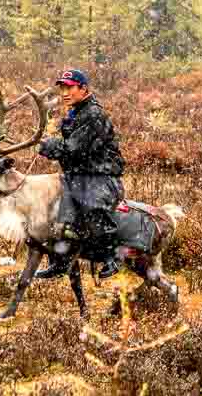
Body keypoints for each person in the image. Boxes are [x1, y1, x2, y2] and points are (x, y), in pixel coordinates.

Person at [36, 69, 126, 279]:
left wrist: (52, 146)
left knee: (92, 211)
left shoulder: (93, 114)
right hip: (81, 176)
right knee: (63, 222)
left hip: (101, 177)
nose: (65, 92)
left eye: (70, 87)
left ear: (83, 88)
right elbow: (71, 151)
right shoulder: (76, 112)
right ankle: (60, 262)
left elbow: (75, 148)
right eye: (62, 88)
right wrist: (53, 148)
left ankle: (113, 256)